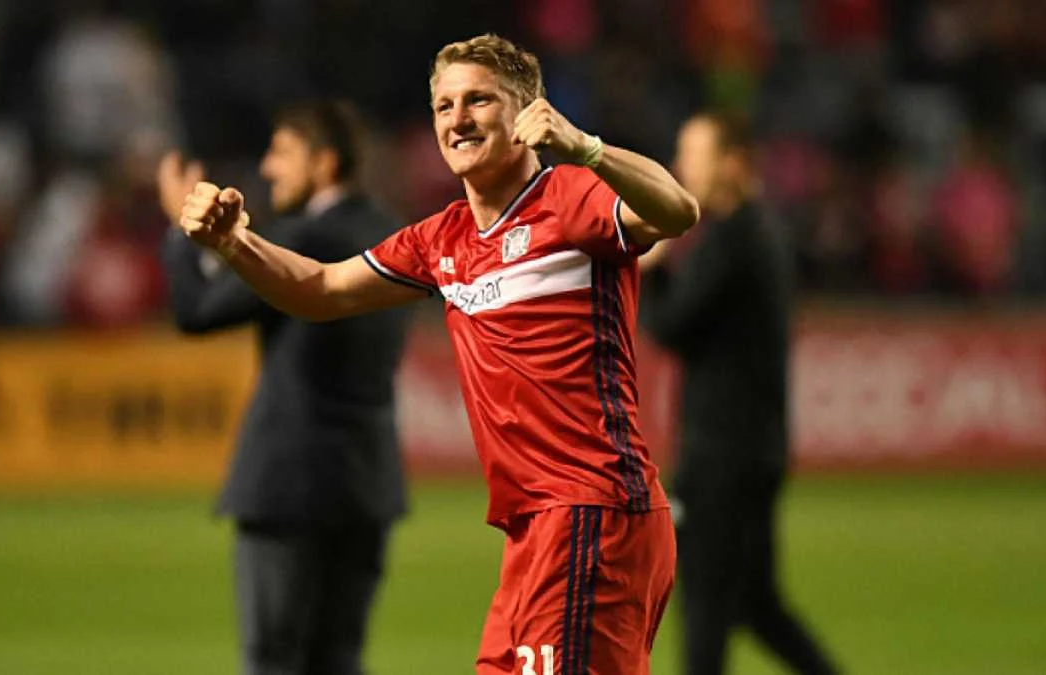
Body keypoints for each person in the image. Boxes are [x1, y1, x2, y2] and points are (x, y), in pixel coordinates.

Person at [176, 34, 700, 674]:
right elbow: (320, 289)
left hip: (593, 510)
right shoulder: (444, 238)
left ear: (526, 114)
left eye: (479, 100)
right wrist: (235, 244)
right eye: (445, 106)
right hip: (533, 529)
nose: (458, 119)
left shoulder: (568, 198)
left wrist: (587, 148)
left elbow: (677, 212)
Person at [157, 100, 412, 675]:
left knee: (273, 659)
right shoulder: (391, 229)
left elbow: (197, 312)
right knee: (340, 659)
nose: (268, 168)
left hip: (286, 484)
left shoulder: (304, 237)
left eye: (282, 153)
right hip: (367, 483)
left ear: (325, 163)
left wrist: (180, 227)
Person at [639, 112, 840, 675]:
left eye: (693, 155)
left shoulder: (733, 239)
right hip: (754, 448)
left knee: (704, 606)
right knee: (754, 603)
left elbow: (672, 327)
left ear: (732, 162)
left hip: (722, 456)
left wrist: (651, 269)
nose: (681, 167)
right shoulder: (758, 233)